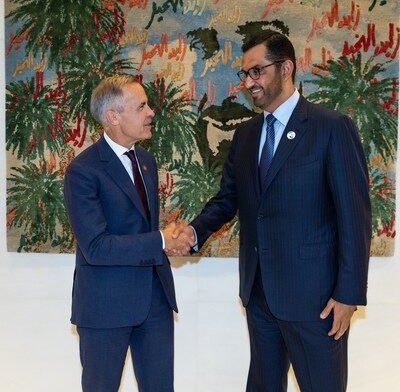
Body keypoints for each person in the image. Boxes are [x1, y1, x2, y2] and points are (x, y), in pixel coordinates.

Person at [175, 31, 371, 391]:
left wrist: (348, 293)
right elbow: (227, 199)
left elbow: (355, 217)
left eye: (257, 72)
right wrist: (194, 232)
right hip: (259, 294)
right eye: (244, 74)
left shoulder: (331, 127)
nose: (248, 83)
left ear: (286, 68)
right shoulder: (246, 135)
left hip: (317, 301)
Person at [64, 75, 193, 392]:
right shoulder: (83, 170)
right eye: (142, 106)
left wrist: (169, 242)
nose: (151, 112)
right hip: (105, 307)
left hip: (155, 303)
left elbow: (141, 229)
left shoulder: (147, 161)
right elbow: (96, 247)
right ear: (113, 117)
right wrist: (161, 240)